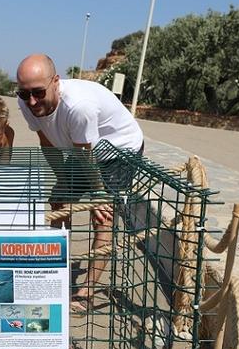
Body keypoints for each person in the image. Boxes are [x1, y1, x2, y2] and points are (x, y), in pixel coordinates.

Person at [16, 53, 144, 311]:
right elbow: (46, 143)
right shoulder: (27, 101)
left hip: (119, 149)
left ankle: (86, 291)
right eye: (24, 93)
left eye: (38, 92)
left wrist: (99, 194)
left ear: (55, 81)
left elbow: (87, 154)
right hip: (83, 150)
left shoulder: (78, 106)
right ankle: (55, 272)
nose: (31, 101)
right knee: (59, 201)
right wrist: (62, 181)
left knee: (104, 215)